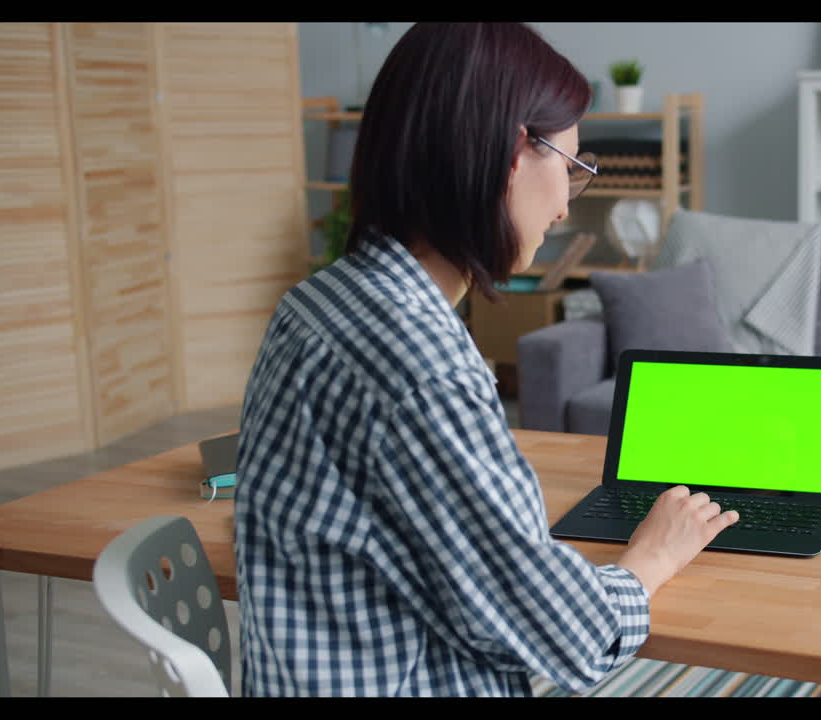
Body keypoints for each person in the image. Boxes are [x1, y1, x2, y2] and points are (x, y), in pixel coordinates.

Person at [233, 22, 738, 697]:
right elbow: (572, 637)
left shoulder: (315, 303)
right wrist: (652, 556)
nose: (564, 204)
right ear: (509, 151)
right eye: (570, 167)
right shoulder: (420, 364)